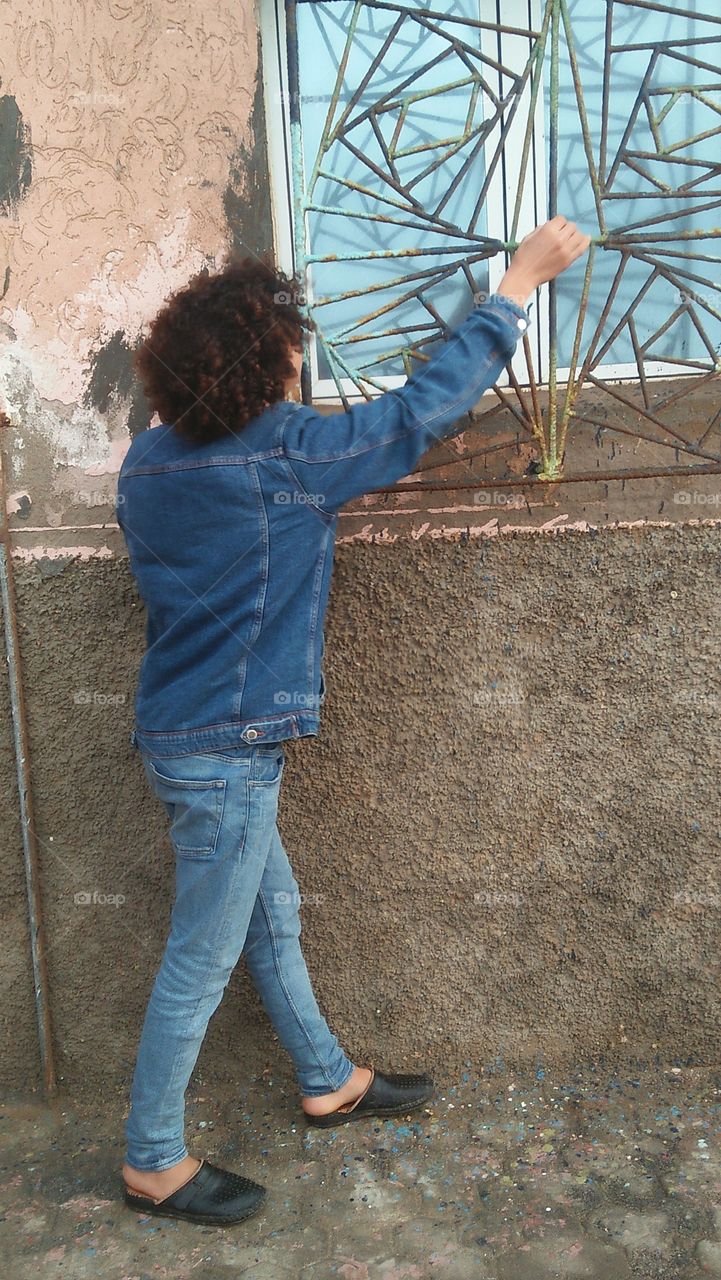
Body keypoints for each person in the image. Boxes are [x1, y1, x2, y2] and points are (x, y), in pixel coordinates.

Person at [115, 214, 591, 1226]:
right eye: (289, 345)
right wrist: (516, 282)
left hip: (183, 740)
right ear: (262, 361)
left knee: (269, 915)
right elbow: (419, 413)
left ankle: (327, 1078)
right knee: (198, 961)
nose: (299, 360)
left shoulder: (146, 465)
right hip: (230, 754)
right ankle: (151, 1155)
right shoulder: (286, 456)